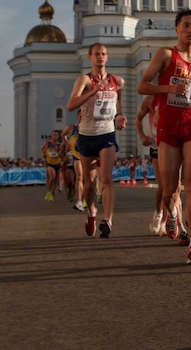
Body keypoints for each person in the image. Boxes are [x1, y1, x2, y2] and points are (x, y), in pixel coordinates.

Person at [137, 9, 191, 265]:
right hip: (168, 129)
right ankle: (171, 214)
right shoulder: (166, 55)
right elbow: (143, 86)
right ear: (177, 29)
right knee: (169, 189)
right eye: (186, 25)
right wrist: (168, 88)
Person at [66, 42, 127, 238]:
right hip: (86, 135)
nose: (100, 57)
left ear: (107, 57)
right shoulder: (84, 80)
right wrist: (93, 91)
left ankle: (107, 220)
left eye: (103, 54)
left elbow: (118, 103)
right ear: (90, 58)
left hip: (106, 134)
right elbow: (70, 105)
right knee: (90, 184)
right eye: (96, 54)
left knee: (107, 179)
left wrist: (119, 116)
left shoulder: (117, 81)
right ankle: (92, 212)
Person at [135, 95, 166, 235]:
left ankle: (167, 221)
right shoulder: (149, 100)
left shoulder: (175, 95)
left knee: (173, 186)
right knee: (163, 186)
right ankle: (158, 214)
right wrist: (142, 136)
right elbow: (138, 119)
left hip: (172, 143)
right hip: (156, 146)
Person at [40, 130, 63, 201]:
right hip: (50, 163)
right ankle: (49, 191)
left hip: (58, 163)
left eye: (56, 135)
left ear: (58, 136)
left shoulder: (60, 145)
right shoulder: (47, 143)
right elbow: (42, 149)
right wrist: (43, 155)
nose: (55, 136)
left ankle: (52, 191)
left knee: (56, 180)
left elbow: (62, 154)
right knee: (52, 177)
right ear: (51, 136)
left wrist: (59, 151)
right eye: (53, 135)